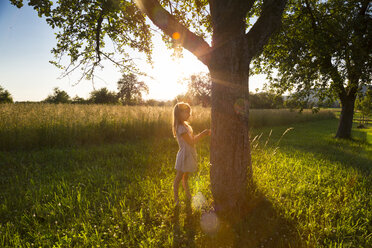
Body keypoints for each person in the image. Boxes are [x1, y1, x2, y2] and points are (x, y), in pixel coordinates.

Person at [172, 102, 211, 206]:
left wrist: (203, 133)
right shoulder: (180, 127)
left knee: (186, 177)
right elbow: (191, 142)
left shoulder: (186, 126)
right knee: (178, 178)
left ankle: (188, 196)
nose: (189, 114)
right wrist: (203, 134)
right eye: (187, 112)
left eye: (189, 112)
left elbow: (192, 139)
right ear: (179, 113)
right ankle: (176, 200)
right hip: (184, 156)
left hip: (189, 154)